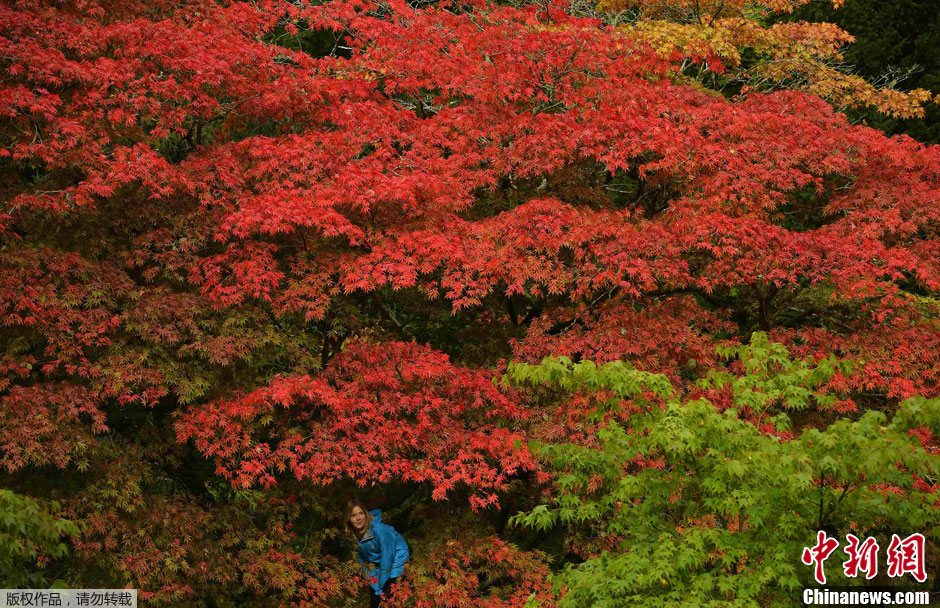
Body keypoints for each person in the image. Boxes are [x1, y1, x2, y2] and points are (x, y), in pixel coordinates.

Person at [345, 499, 410, 607]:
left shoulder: (380, 530)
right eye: (353, 515)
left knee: (386, 598)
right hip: (378, 564)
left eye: (361, 513)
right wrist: (373, 582)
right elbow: (363, 563)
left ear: (365, 514)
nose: (358, 518)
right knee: (375, 599)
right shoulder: (354, 536)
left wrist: (380, 586)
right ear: (348, 519)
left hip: (396, 562)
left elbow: (387, 557)